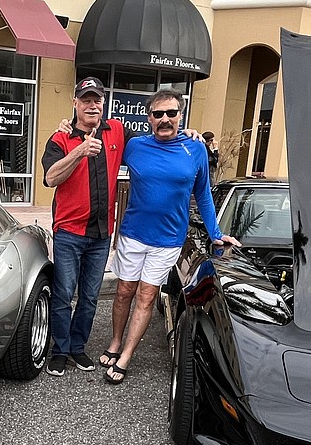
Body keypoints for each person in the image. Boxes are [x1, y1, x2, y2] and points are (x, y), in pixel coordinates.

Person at [101, 89, 240, 385]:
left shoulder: (195, 149)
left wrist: (216, 234)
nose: (165, 119)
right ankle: (115, 342)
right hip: (133, 234)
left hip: (168, 240)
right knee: (124, 291)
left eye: (171, 113)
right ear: (149, 118)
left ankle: (125, 355)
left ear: (181, 116)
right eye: (158, 114)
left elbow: (203, 194)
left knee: (147, 295)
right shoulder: (135, 146)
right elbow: (105, 147)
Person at [40, 76, 125, 376]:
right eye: (86, 99)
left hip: (101, 236)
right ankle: (59, 350)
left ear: (103, 103)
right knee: (63, 294)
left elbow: (153, 142)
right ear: (75, 103)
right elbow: (50, 178)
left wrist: (188, 134)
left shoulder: (115, 131)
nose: (92, 104)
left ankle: (77, 347)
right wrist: (79, 150)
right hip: (69, 234)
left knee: (89, 297)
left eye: (96, 99)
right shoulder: (60, 139)